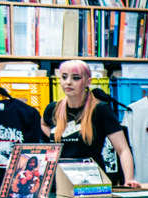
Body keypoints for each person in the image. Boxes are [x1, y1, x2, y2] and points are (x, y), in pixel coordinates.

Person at [42, 60, 139, 188]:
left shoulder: (100, 110)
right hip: (59, 184)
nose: (68, 82)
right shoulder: (52, 109)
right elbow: (44, 124)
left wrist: (129, 179)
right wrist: (59, 138)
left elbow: (123, 149)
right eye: (64, 77)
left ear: (88, 81)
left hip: (90, 185)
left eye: (76, 78)